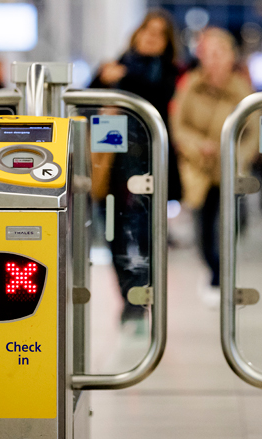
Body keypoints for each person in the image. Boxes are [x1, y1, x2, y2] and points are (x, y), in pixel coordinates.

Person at [89, 10, 181, 325]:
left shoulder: (168, 73)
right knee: (113, 232)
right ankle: (128, 294)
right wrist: (103, 79)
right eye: (147, 30)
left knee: (145, 234)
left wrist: (121, 78)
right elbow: (83, 102)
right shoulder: (112, 65)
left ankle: (141, 293)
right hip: (111, 165)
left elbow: (158, 97)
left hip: (148, 166)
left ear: (167, 42)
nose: (151, 36)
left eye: (159, 33)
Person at [170, 27, 258, 307]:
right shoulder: (190, 85)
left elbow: (253, 132)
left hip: (231, 169)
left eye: (221, 53)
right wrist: (199, 147)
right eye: (210, 54)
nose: (215, 60)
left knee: (233, 223)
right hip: (199, 169)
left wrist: (236, 157)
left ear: (232, 56)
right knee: (204, 227)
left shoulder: (242, 89)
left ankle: (223, 276)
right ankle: (216, 275)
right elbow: (179, 126)